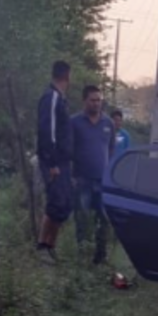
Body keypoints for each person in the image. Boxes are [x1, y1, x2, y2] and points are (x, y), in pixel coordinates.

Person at [71, 85, 115, 264]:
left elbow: (111, 149)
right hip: (81, 179)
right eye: (93, 100)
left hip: (102, 181)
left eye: (99, 100)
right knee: (82, 219)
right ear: (84, 101)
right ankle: (82, 256)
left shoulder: (108, 123)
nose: (97, 103)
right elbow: (68, 150)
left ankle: (100, 257)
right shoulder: (74, 122)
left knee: (103, 219)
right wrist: (71, 176)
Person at [36, 60, 73, 263]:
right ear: (67, 75)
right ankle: (42, 246)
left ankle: (51, 247)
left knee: (65, 205)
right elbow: (46, 132)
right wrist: (51, 164)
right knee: (56, 202)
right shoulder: (51, 97)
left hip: (64, 163)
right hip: (54, 162)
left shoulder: (61, 99)